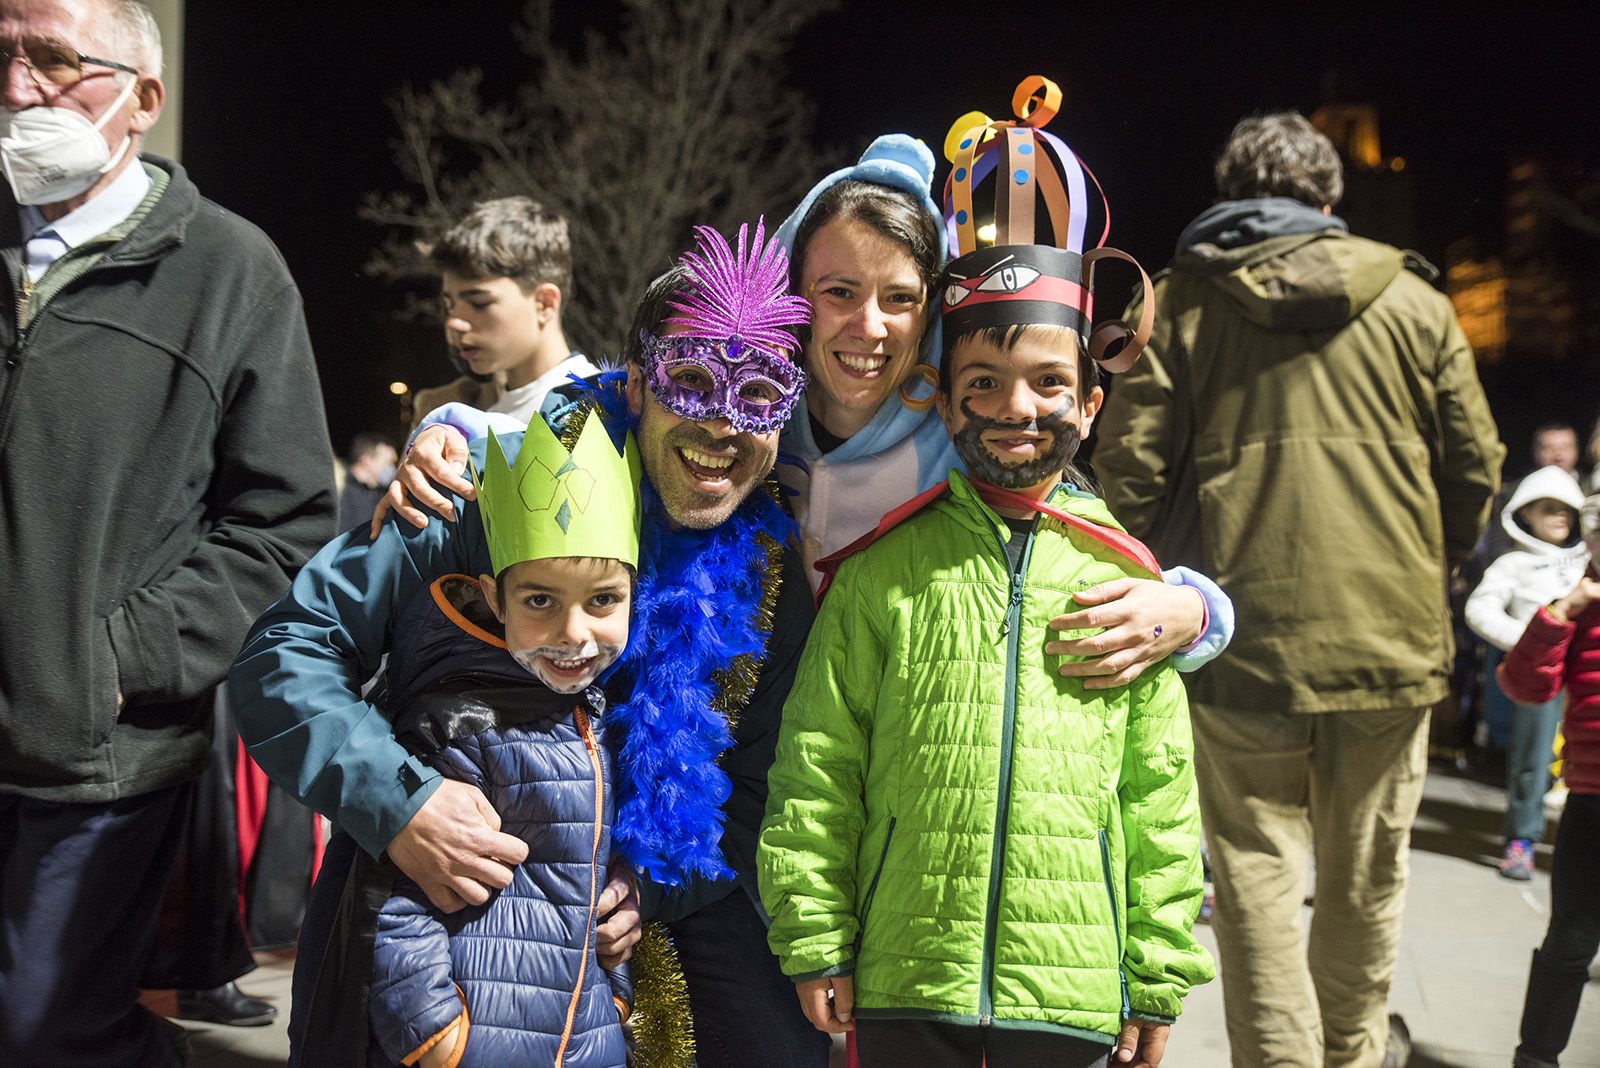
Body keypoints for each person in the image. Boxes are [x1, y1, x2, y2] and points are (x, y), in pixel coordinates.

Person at [233, 221, 828, 1067]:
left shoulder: (768, 572)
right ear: (635, 387)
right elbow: (285, 654)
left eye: (761, 395)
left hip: (618, 966)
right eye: (692, 381)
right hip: (425, 939)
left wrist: (653, 887)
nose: (725, 427)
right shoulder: (484, 487)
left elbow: (759, 787)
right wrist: (399, 803)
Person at [759, 98, 1211, 1068]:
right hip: (774, 831)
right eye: (836, 292)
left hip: (1028, 966)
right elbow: (622, 414)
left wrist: (1195, 607)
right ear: (793, 293)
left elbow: (1080, 554)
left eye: (898, 298)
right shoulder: (740, 415)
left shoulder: (966, 444)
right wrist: (457, 426)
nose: (867, 326)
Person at [1093, 111, 1504, 1067]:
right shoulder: (1415, 303)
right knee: (1368, 882)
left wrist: (1160, 592)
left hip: (1239, 640)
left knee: (1253, 883)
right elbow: (1475, 465)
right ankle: (1353, 1054)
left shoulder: (1182, 301)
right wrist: (1426, 560)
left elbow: (1133, 478)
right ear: (1328, 201)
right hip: (1390, 643)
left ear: (1231, 193)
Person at [0, 1, 337, 1063]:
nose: (17, 88)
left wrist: (117, 660)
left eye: (53, 60)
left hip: (95, 759)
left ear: (144, 99)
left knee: (49, 1031)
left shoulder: (229, 272)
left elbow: (281, 521)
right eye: (2, 57)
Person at [298, 413, 643, 1066]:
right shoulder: (460, 724)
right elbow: (396, 897)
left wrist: (616, 991)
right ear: (493, 595)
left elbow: (596, 876)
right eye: (540, 601)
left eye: (602, 602)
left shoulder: (602, 721)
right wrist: (436, 1035)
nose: (574, 633)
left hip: (585, 1038)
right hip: (478, 1041)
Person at [1501, 491, 1600, 1068]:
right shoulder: (1578, 600)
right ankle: (1536, 1057)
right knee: (1568, 942)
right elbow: (1524, 685)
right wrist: (1560, 613)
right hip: (1591, 800)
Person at [1465, 465, 1589, 879]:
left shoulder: (1587, 558)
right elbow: (1479, 610)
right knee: (1533, 757)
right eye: (1549, 509)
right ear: (1526, 513)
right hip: (1542, 677)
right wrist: (1528, 640)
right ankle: (1522, 838)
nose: (1560, 518)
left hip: (1587, 675)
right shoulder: (1514, 564)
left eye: (1567, 511)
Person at [411, 196, 597, 429]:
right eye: (449, 306)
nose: (454, 323)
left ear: (545, 303)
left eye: (479, 303)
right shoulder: (456, 413)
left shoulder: (597, 407)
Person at [337, 432, 398, 530]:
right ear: (366, 461)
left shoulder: (377, 496)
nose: (392, 469)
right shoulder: (339, 488)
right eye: (388, 462)